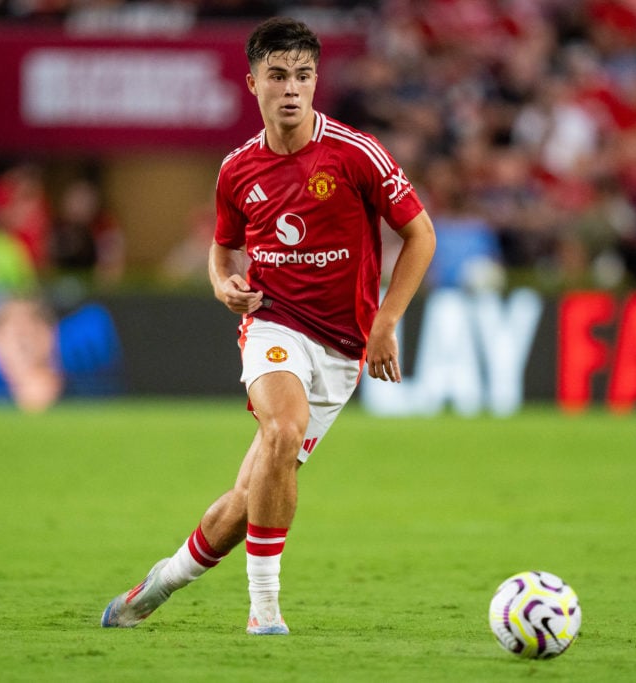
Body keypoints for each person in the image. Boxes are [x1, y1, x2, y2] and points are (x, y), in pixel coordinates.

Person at [100, 17, 436, 636]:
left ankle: (158, 584)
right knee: (282, 429)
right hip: (273, 325)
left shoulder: (356, 154)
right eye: (277, 75)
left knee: (246, 500)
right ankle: (265, 611)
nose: (291, 88)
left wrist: (387, 321)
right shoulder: (237, 170)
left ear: (316, 83)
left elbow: (420, 234)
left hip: (342, 350)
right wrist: (223, 283)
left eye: (303, 76)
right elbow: (223, 250)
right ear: (252, 81)